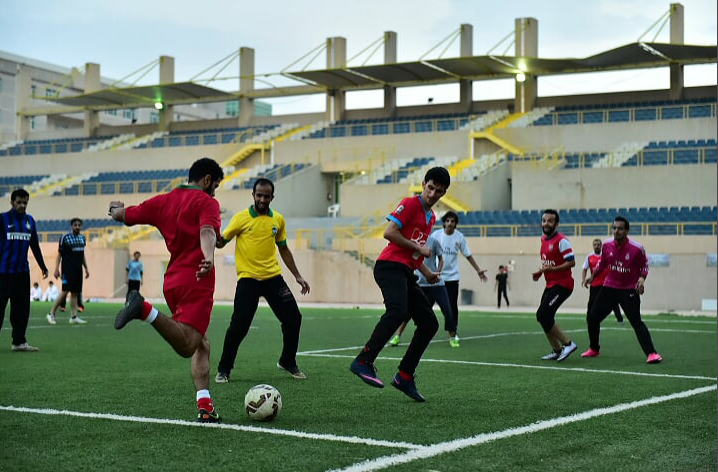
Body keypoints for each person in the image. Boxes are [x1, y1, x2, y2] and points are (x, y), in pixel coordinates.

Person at [109, 157, 224, 422]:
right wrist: (208, 257)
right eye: (215, 185)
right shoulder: (207, 202)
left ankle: (204, 405)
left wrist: (116, 211)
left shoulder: (164, 201)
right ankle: (144, 309)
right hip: (197, 279)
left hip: (172, 281)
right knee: (187, 345)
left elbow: (126, 215)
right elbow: (207, 231)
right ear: (207, 180)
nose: (215, 192)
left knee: (202, 344)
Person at [349, 167, 451, 402]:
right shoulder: (410, 204)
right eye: (431, 187)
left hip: (406, 271)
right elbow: (390, 232)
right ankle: (363, 360)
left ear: (444, 193)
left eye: (439, 191)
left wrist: (427, 272)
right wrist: (418, 249)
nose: (433, 193)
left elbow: (414, 256)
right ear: (423, 184)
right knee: (398, 312)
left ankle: (405, 375)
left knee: (429, 323)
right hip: (388, 267)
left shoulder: (431, 217)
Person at [214, 178, 310, 383]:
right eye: (259, 195)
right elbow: (221, 243)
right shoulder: (240, 218)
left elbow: (283, 248)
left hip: (273, 278)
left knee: (294, 318)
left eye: (266, 196)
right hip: (248, 280)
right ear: (253, 195)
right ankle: (224, 368)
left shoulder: (277, 220)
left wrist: (298, 276)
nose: (262, 199)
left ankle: (287, 361)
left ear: (272, 197)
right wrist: (212, 231)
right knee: (239, 325)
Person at [581, 216, 662, 364]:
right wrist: (592, 276)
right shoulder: (606, 246)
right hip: (609, 287)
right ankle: (594, 349)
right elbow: (603, 263)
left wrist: (641, 279)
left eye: (620, 228)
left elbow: (644, 266)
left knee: (636, 322)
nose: (616, 231)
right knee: (592, 318)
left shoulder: (637, 249)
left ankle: (652, 353)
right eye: (614, 228)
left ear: (627, 231)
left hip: (628, 289)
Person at [388, 231, 457, 347]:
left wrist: (438, 272)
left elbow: (441, 259)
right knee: (409, 311)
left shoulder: (433, 241)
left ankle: (452, 337)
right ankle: (397, 336)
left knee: (447, 310)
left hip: (436, 284)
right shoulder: (411, 242)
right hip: (420, 284)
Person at [0, 188, 49, 352]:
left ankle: (19, 342)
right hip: (3, 272)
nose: (22, 205)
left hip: (22, 273)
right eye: (19, 202)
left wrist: (42, 265)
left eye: (25, 202)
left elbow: (34, 244)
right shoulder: (3, 219)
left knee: (21, 310)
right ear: (12, 202)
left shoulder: (30, 221)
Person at [433, 211, 488, 346]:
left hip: (452, 278)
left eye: (453, 221)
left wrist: (478, 270)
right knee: (424, 305)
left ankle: (452, 333)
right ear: (444, 222)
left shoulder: (459, 237)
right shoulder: (436, 235)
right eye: (448, 221)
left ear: (456, 224)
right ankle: (413, 332)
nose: (450, 223)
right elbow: (427, 251)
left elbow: (467, 255)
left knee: (451, 307)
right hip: (435, 277)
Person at [532, 209, 578, 362]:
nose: (546, 223)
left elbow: (571, 262)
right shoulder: (543, 240)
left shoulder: (562, 241)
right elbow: (548, 263)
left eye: (550, 221)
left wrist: (553, 269)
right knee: (544, 317)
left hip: (563, 285)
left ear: (556, 224)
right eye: (544, 220)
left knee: (543, 314)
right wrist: (540, 272)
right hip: (550, 284)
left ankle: (568, 344)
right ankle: (557, 350)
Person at [46, 218, 89, 325]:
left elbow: (82, 255)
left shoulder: (82, 238)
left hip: (78, 271)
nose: (77, 227)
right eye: (75, 225)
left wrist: (86, 268)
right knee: (65, 291)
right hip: (67, 270)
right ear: (71, 226)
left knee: (75, 293)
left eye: (79, 225)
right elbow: (59, 254)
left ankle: (73, 316)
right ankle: (51, 313)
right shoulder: (65, 238)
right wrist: (56, 269)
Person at [581, 238, 623, 323]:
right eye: (595, 245)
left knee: (613, 301)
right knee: (592, 302)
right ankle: (589, 319)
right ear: (593, 246)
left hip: (607, 284)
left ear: (601, 246)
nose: (596, 246)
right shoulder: (589, 257)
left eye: (598, 245)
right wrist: (583, 279)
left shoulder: (606, 256)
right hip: (595, 284)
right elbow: (584, 268)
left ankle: (619, 319)